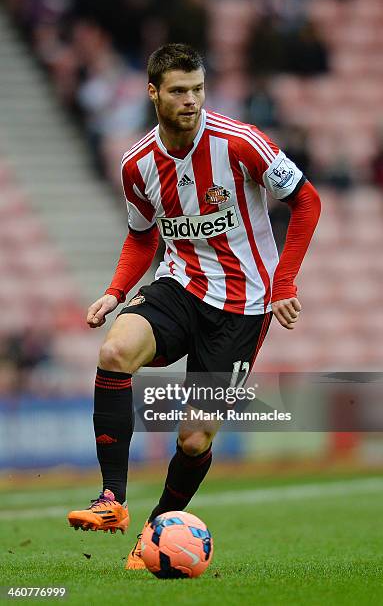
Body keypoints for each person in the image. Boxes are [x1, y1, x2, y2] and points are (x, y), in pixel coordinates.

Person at [67, 43, 321, 571]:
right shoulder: (137, 165)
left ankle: (153, 534)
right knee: (114, 351)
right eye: (179, 91)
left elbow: (307, 201)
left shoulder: (240, 143)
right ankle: (112, 498)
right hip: (179, 286)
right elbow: (141, 237)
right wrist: (115, 292)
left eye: (198, 89)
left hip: (242, 307)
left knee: (193, 437)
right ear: (153, 93)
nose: (191, 101)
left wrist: (284, 282)